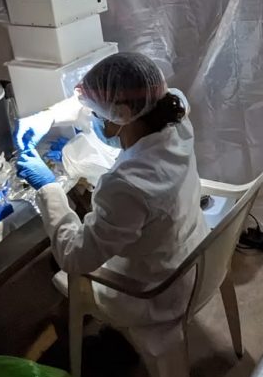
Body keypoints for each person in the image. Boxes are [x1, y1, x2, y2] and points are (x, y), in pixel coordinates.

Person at [14, 52, 210, 350]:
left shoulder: (125, 185)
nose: (93, 119)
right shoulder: (175, 116)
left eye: (96, 114)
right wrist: (49, 116)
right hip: (191, 255)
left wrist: (48, 186)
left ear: (120, 115)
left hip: (153, 293)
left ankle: (101, 344)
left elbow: (74, 257)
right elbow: (126, 102)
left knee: (60, 263)